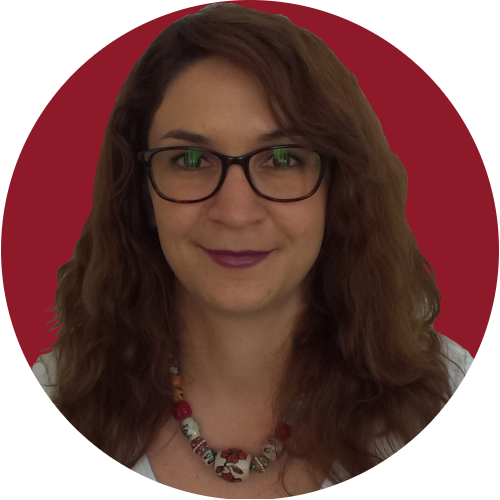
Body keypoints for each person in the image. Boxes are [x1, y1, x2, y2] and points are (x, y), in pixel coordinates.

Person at [33, 3, 473, 498]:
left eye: (282, 158)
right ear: (141, 192)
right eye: (191, 159)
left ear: (339, 188)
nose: (236, 212)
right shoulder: (45, 405)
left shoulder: (453, 398)